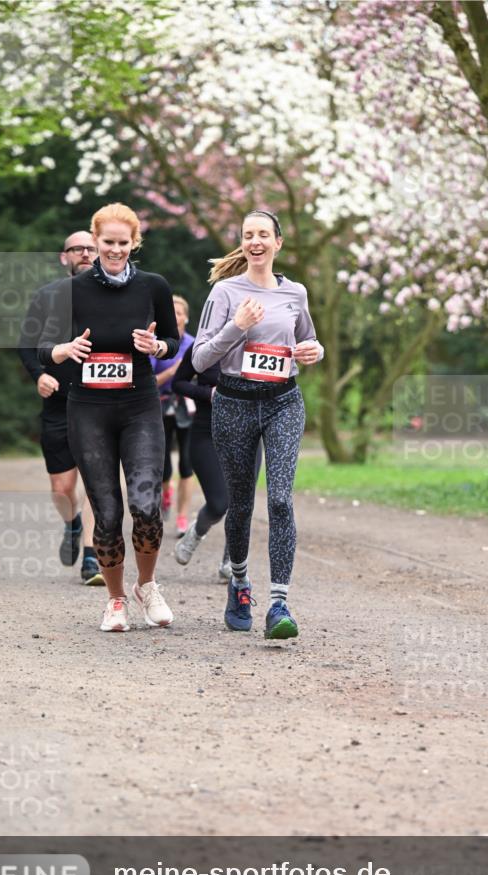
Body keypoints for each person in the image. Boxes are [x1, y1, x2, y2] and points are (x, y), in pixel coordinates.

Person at [38, 203, 179, 632]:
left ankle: (148, 585)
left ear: (134, 243)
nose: (115, 250)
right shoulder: (72, 291)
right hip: (88, 410)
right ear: (95, 241)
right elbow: (43, 345)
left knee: (146, 505)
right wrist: (63, 351)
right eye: (108, 242)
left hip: (139, 406)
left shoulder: (153, 286)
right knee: (107, 510)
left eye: (123, 243)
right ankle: (115, 600)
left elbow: (172, 340)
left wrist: (157, 349)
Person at [192, 209, 323, 640]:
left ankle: (280, 603)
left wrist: (313, 352)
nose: (256, 241)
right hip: (234, 403)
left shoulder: (295, 293)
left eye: (264, 234)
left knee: (281, 499)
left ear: (278, 243)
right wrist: (238, 326)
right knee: (242, 503)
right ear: (243, 243)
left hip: (284, 401)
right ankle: (241, 584)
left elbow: (308, 339)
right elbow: (200, 359)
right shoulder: (225, 292)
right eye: (249, 235)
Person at [18, 231, 103, 585]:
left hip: (101, 400)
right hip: (58, 401)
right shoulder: (47, 296)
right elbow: (26, 343)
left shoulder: (115, 296)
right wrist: (39, 375)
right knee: (61, 487)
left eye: (90, 248)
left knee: (99, 483)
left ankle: (91, 556)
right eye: (77, 249)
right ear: (63, 256)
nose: (84, 253)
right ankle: (72, 523)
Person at [171, 343, 263, 582]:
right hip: (207, 431)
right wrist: (208, 394)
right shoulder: (203, 344)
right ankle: (197, 530)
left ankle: (231, 562)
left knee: (242, 503)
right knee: (219, 503)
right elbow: (178, 383)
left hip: (249, 432)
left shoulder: (259, 342)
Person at [150, 295, 195, 537]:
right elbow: (151, 382)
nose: (175, 316)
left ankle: (182, 517)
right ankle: (166, 493)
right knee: (164, 466)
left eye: (179, 312)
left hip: (187, 407)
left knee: (187, 464)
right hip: (161, 405)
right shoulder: (156, 345)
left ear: (186, 317)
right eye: (171, 312)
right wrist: (175, 371)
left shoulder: (195, 343)